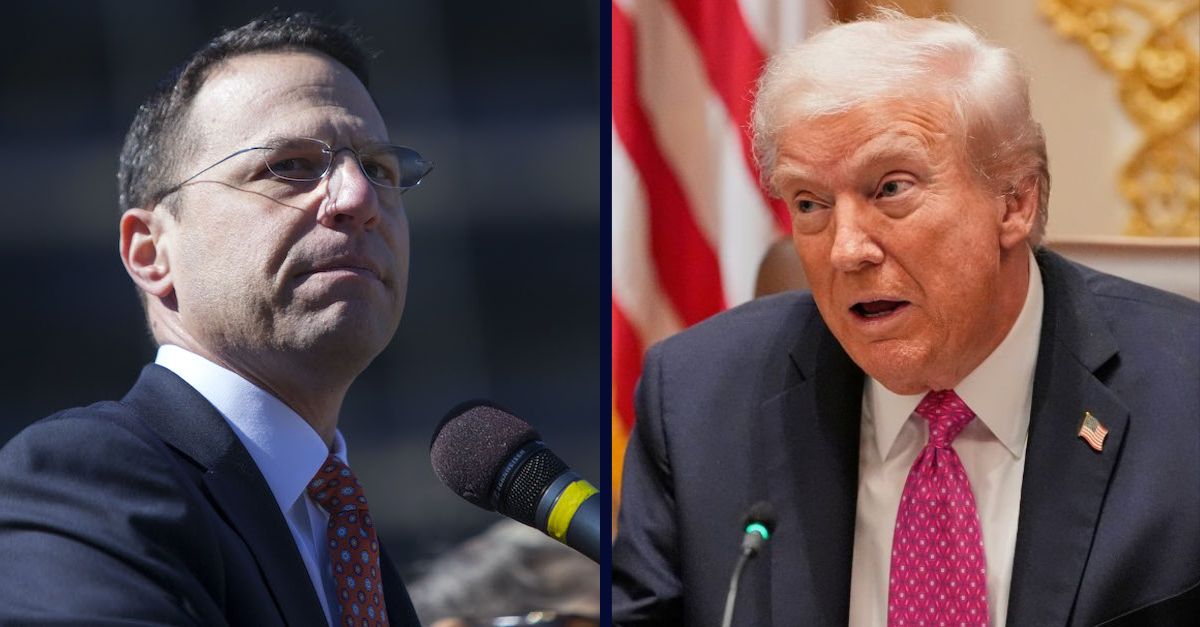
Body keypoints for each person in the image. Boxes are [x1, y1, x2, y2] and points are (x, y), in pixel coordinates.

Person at [612, 12, 1199, 627]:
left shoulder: (1186, 398)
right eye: (809, 203)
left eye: (890, 189)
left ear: (1014, 201)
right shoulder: (697, 401)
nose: (845, 249)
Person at [0, 12, 431, 626]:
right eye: (291, 165)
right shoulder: (83, 477)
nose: (358, 200)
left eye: (381, 171)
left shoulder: (348, 541)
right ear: (151, 252)